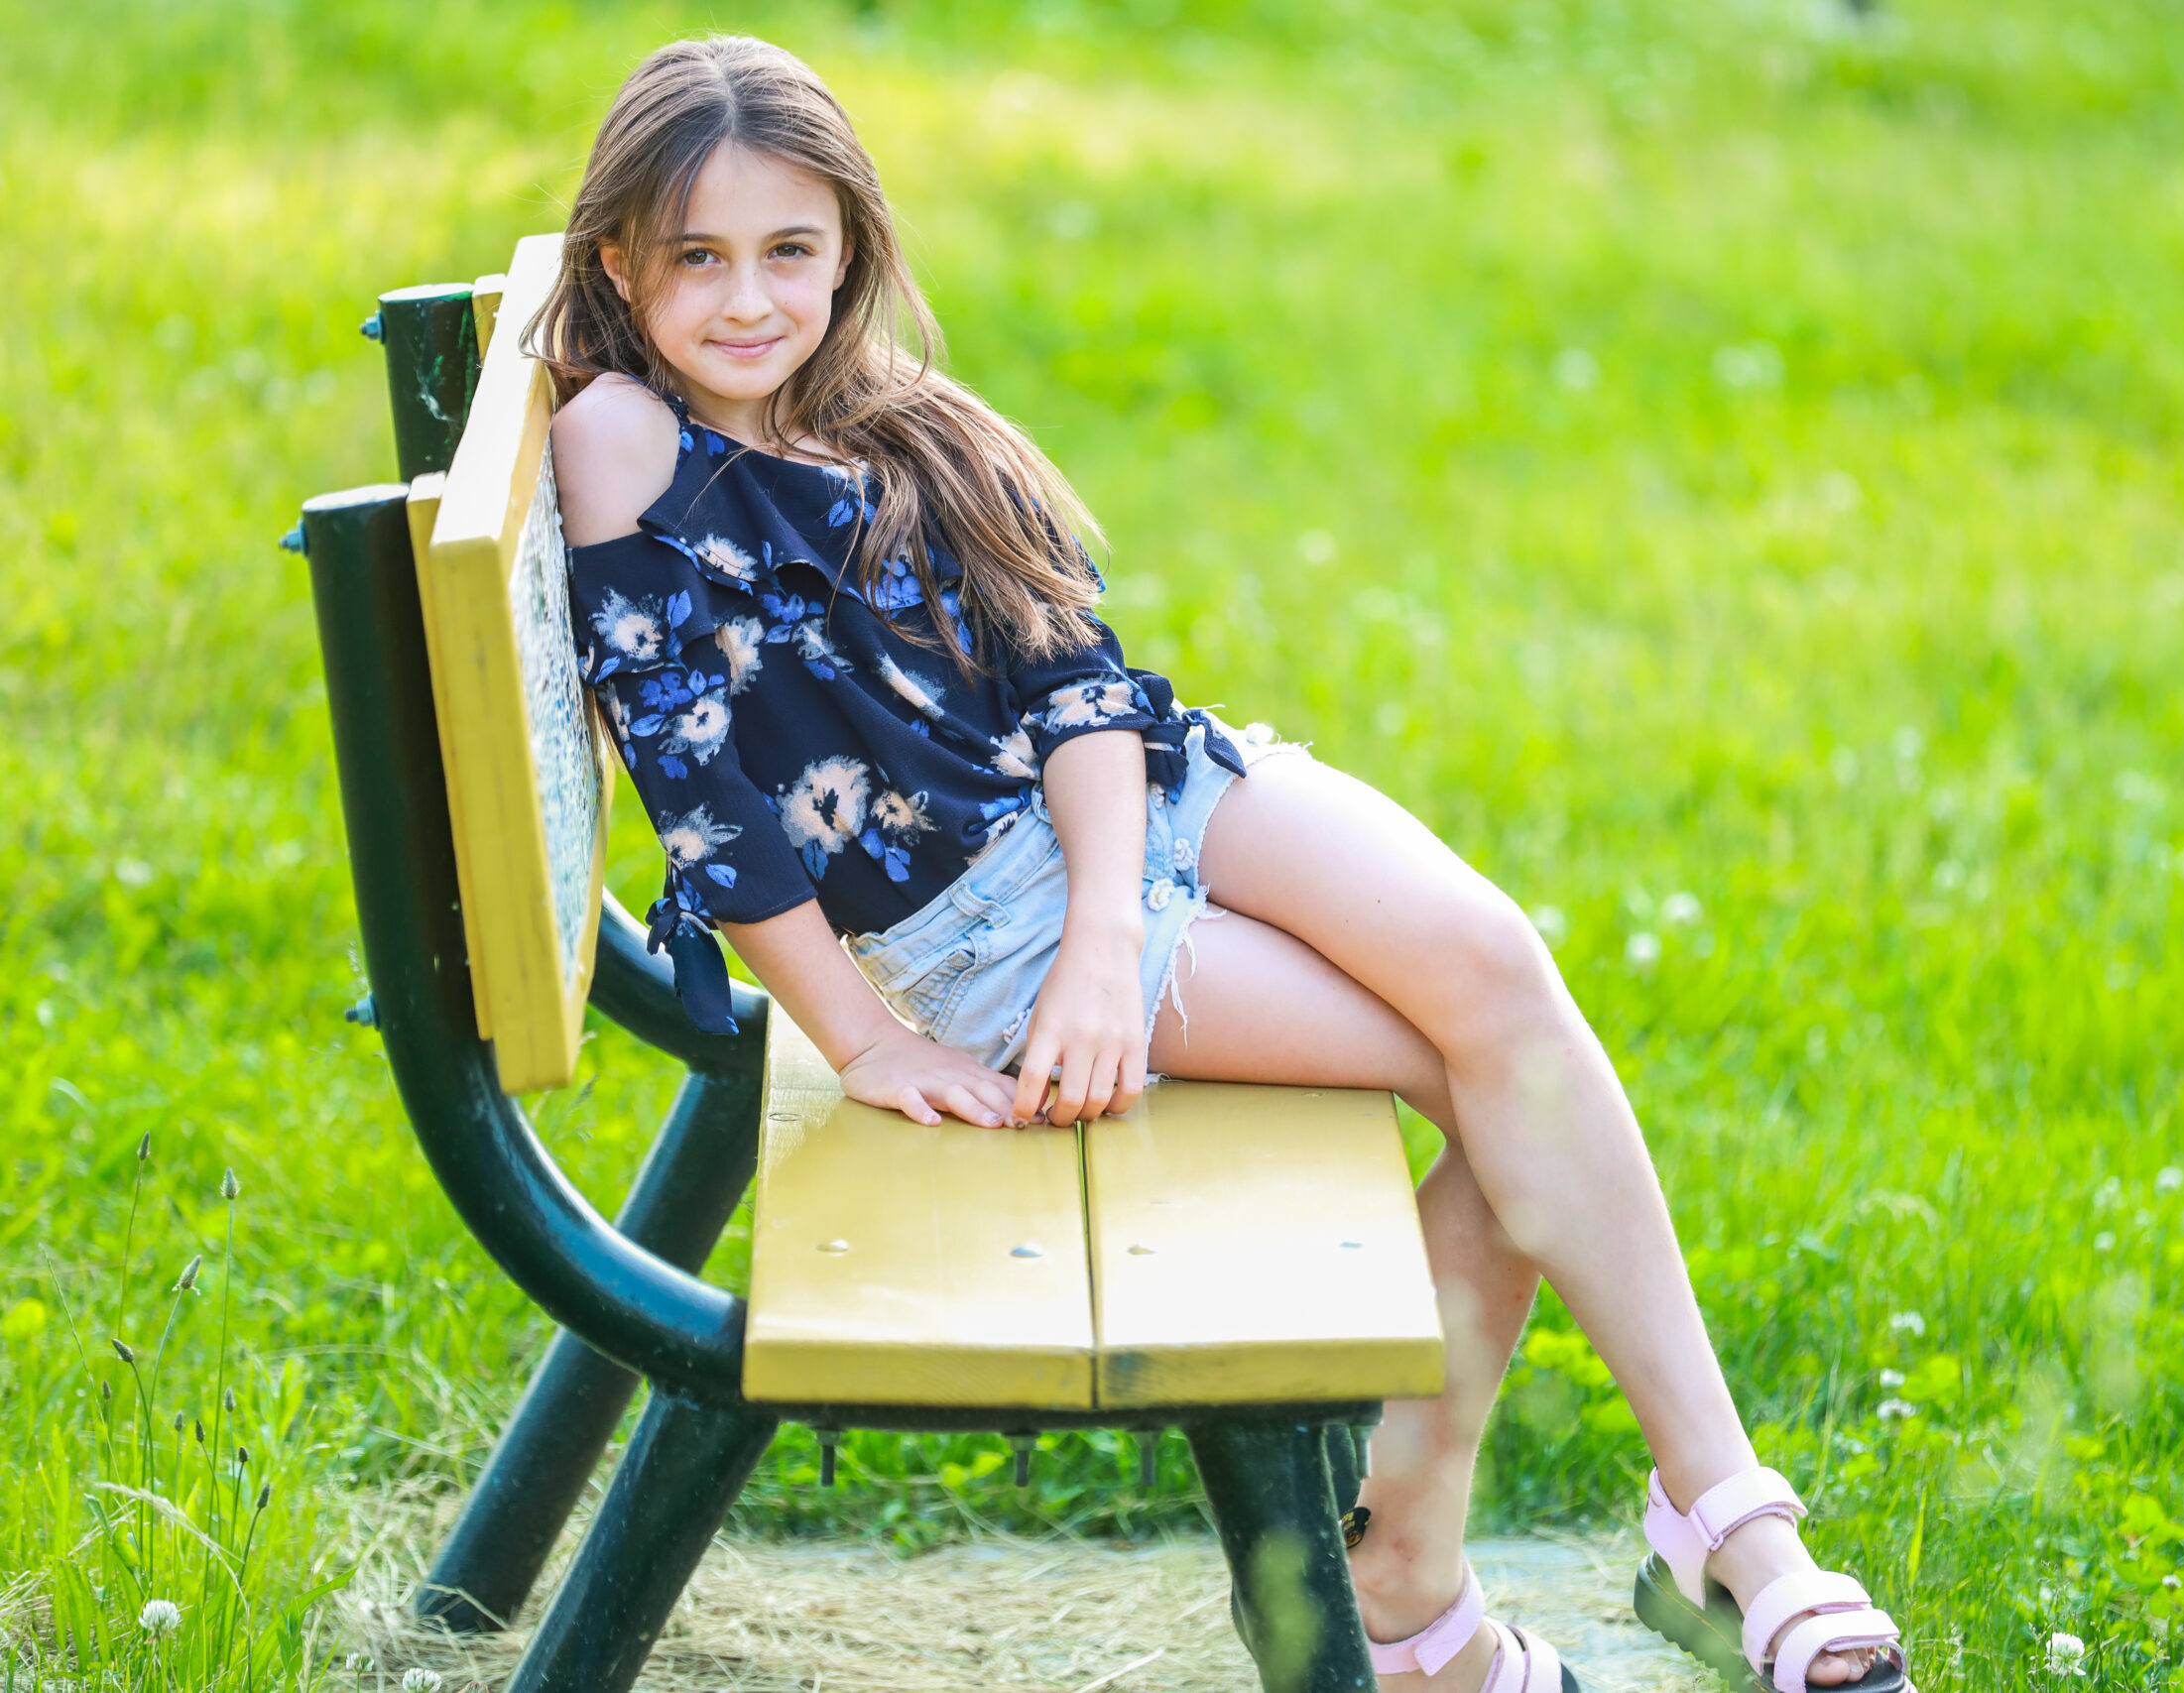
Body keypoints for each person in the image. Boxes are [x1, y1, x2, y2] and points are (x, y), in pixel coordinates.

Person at [541, 35, 1911, 1693]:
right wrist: (869, 1039)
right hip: (983, 926)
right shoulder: (624, 434)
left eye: (789, 250)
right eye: (696, 257)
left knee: (1502, 981)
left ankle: (1690, 1521)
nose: (750, 299)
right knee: (1507, 1081)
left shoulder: (896, 417)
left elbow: (1073, 675)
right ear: (619, 262)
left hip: (1141, 805)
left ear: (851, 248)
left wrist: (1112, 934)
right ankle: (1487, 1569)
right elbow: (699, 790)